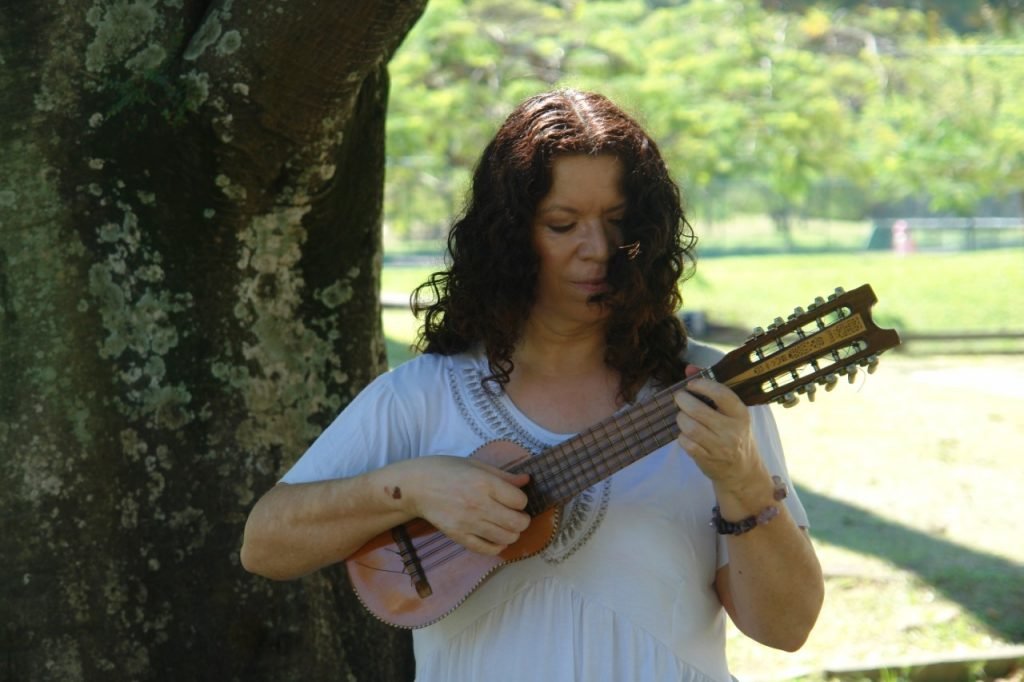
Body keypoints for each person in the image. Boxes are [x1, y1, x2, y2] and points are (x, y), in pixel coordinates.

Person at [240, 88, 824, 681]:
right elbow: (264, 545)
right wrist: (409, 488)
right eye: (562, 225)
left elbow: (786, 628)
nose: (598, 250)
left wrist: (742, 479)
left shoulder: (710, 397)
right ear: (510, 238)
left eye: (619, 223)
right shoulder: (424, 395)